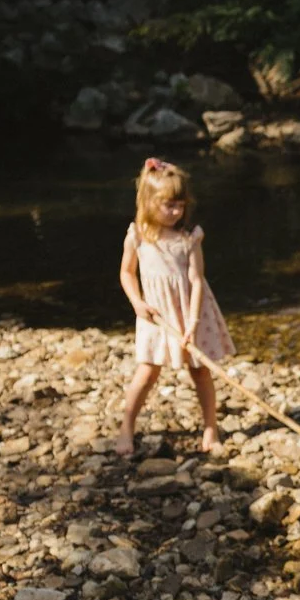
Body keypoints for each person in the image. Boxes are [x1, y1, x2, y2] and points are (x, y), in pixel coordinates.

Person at [115, 157, 233, 456]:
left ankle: (210, 427)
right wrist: (137, 303)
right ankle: (127, 426)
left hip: (191, 313)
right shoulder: (138, 234)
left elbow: (196, 279)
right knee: (148, 371)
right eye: (168, 205)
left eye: (179, 205)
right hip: (155, 316)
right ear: (148, 201)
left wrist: (192, 323)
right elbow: (127, 272)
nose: (175, 211)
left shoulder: (189, 236)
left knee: (201, 371)